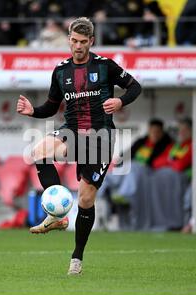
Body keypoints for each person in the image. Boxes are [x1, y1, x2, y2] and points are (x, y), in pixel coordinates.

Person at [16, 17, 141, 275]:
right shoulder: (61, 71)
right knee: (38, 152)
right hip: (71, 131)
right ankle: (57, 213)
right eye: (74, 41)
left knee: (85, 199)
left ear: (91, 41)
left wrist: (120, 102)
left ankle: (77, 258)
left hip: (101, 138)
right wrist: (32, 111)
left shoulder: (105, 66)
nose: (78, 46)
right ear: (69, 40)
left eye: (83, 42)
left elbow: (135, 86)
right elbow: (51, 107)